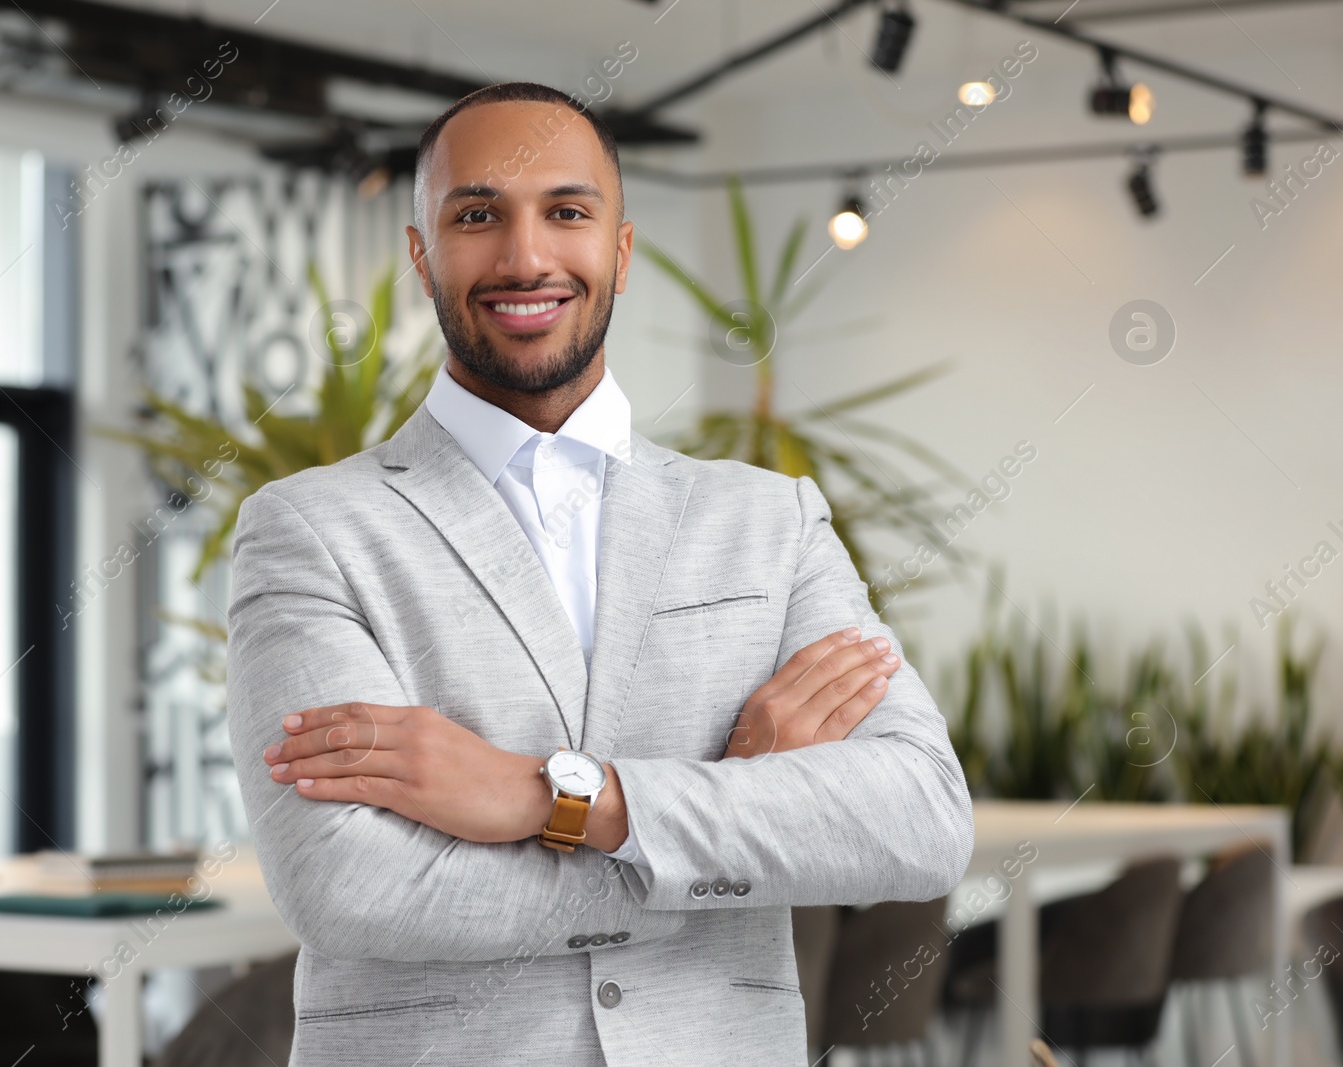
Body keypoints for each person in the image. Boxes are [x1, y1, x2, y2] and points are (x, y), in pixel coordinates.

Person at [226, 81, 972, 1066]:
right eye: (477, 215)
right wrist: (712, 826)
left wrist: (558, 796)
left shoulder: (768, 519)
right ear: (421, 253)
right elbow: (352, 886)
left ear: (619, 250)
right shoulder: (309, 528)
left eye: (567, 213)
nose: (525, 256)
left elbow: (916, 819)